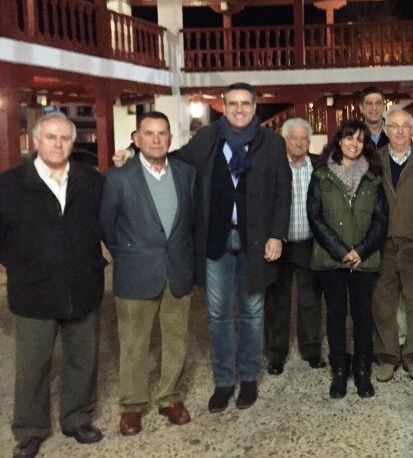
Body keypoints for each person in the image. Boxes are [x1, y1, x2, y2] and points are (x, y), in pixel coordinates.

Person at [113, 82, 291, 413]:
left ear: (255, 107)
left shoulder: (272, 143)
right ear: (223, 106)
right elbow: (174, 157)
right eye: (233, 103)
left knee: (252, 313)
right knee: (218, 314)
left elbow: (283, 191)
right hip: (215, 241)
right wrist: (133, 152)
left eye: (245, 103)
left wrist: (277, 235)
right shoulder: (209, 137)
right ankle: (224, 381)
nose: (239, 109)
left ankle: (248, 378)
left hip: (256, 242)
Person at [0, 112, 106, 458]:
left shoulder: (90, 180)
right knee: (33, 365)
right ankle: (30, 430)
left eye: (64, 138)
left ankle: (77, 418)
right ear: (35, 141)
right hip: (34, 291)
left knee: (82, 359)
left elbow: (102, 223)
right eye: (50, 137)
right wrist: (21, 265)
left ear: (72, 143)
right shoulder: (9, 184)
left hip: (82, 285)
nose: (58, 144)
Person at [101, 111, 196, 436]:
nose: (156, 139)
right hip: (136, 272)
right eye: (149, 133)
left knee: (176, 340)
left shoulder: (186, 173)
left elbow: (191, 221)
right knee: (133, 343)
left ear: (170, 138)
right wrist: (130, 254)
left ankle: (169, 397)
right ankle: (132, 405)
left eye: (162, 133)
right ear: (136, 139)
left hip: (177, 271)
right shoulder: (117, 178)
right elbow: (107, 227)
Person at [307, 119, 389, 399]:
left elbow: (381, 220)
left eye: (360, 140)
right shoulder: (321, 175)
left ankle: (363, 370)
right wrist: (341, 250)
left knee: (363, 315)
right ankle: (340, 369)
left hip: (363, 259)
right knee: (336, 314)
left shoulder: (373, 178)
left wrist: (360, 250)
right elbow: (315, 216)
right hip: (332, 259)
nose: (354, 144)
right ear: (339, 140)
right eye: (349, 138)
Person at [372, 108, 413, 383]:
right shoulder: (374, 160)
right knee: (383, 304)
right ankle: (387, 357)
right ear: (385, 131)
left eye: (405, 126)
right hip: (382, 243)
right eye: (394, 126)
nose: (399, 131)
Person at [264, 118, 326, 375]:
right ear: (285, 140)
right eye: (294, 138)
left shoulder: (319, 165)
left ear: (309, 142)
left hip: (309, 243)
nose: (299, 143)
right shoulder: (274, 166)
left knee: (310, 299)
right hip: (280, 243)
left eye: (303, 139)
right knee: (277, 301)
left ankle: (311, 350)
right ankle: (276, 354)